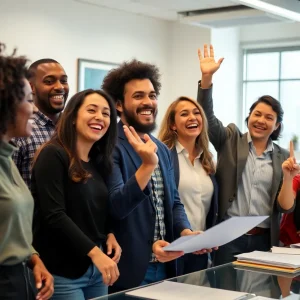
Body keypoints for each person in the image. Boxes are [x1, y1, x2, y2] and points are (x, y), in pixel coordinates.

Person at [102, 59, 211, 293]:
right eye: (139, 96)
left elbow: (173, 202)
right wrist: (147, 166)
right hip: (129, 269)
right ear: (119, 105)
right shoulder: (110, 146)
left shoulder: (160, 148)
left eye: (152, 95)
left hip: (166, 265)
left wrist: (186, 232)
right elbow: (116, 206)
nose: (148, 102)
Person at [197, 44, 299, 265]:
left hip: (264, 241)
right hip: (227, 237)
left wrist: (289, 177)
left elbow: (286, 207)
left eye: (269, 118)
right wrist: (206, 79)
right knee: (224, 295)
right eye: (257, 114)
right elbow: (207, 118)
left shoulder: (282, 157)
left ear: (277, 125)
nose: (261, 120)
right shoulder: (231, 139)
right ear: (249, 116)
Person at [31, 89, 121, 300]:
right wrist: (96, 253)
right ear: (72, 117)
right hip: (62, 273)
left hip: (96, 272)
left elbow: (95, 211)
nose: (100, 117)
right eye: (92, 110)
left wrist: (109, 233)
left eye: (106, 113)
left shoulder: (99, 162)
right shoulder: (53, 154)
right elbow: (54, 214)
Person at [0, 43, 53, 299]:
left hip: (23, 278)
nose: (34, 109)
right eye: (28, 100)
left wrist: (33, 259)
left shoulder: (6, 157)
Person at [158, 96, 219, 274]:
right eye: (184, 114)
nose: (192, 117)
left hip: (201, 248)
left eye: (196, 113)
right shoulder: (163, 157)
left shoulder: (207, 159)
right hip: (174, 246)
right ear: (173, 125)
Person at [12, 58, 69, 188]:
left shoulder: (74, 128)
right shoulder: (20, 131)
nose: (60, 87)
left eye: (64, 81)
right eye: (49, 81)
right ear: (31, 87)